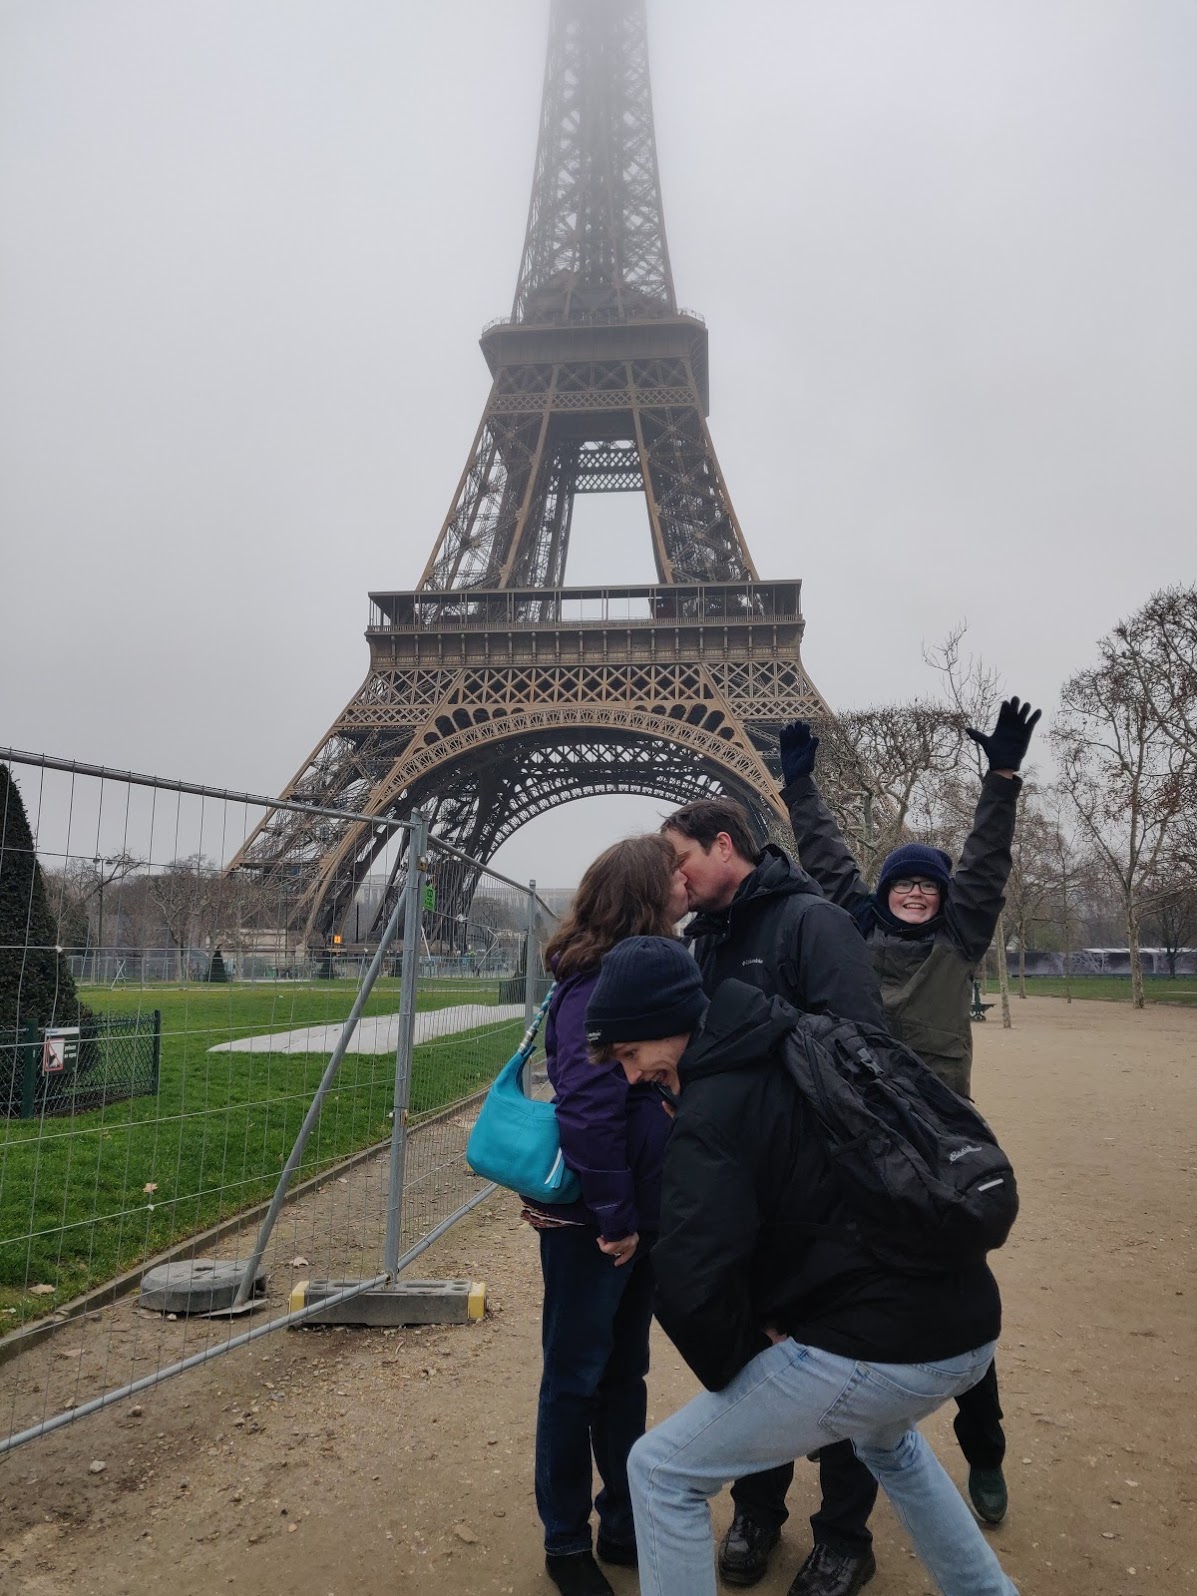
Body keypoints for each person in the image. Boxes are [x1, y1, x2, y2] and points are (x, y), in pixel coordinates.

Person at [583, 935, 1020, 1596]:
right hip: (967, 1324)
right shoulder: (798, 1039)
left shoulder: (712, 1107)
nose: (629, 1075)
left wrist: (749, 1350)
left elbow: (691, 1279)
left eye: (629, 1053)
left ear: (664, 1024)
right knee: (887, 1443)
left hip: (889, 1346)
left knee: (661, 1472)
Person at [767, 694, 1039, 1590]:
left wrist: (1001, 779)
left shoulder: (960, 938)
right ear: (883, 895)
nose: (915, 893)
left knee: (960, 1308)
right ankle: (831, 1492)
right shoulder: (852, 931)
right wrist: (798, 788)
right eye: (903, 884)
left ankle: (983, 1447)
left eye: (926, 885)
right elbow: (827, 859)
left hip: (939, 1157)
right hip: (857, 1150)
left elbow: (986, 866)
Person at [658, 797, 888, 1590]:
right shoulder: (705, 939)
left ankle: (844, 1536)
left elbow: (861, 1054)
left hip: (817, 1190)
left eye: (680, 858)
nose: (674, 877)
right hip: (743, 1190)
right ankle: (758, 1509)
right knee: (753, 1357)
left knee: (837, 1358)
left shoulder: (813, 923)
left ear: (724, 845)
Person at [524, 834, 690, 1596]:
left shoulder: (634, 978)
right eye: (673, 877)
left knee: (622, 1374)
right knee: (576, 1378)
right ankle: (565, 1541)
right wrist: (617, 1219)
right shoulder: (597, 985)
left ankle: (621, 1521)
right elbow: (590, 1114)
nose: (686, 885)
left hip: (634, 1214)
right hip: (597, 1223)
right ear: (646, 895)